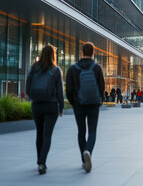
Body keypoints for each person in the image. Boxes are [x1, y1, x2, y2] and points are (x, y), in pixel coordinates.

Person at [66, 42, 105, 173]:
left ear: (82, 52)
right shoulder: (97, 68)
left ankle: (83, 159)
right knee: (92, 131)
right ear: (93, 52)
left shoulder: (73, 68)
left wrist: (73, 102)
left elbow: (69, 89)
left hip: (79, 104)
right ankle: (88, 151)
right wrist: (100, 101)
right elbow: (102, 87)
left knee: (81, 131)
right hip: (93, 104)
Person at [26, 44, 64, 174]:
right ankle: (42, 162)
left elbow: (27, 87)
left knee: (39, 133)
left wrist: (32, 97)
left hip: (36, 104)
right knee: (47, 134)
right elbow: (59, 91)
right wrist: (61, 107)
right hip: (51, 105)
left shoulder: (33, 68)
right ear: (53, 55)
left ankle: (39, 161)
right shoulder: (55, 70)